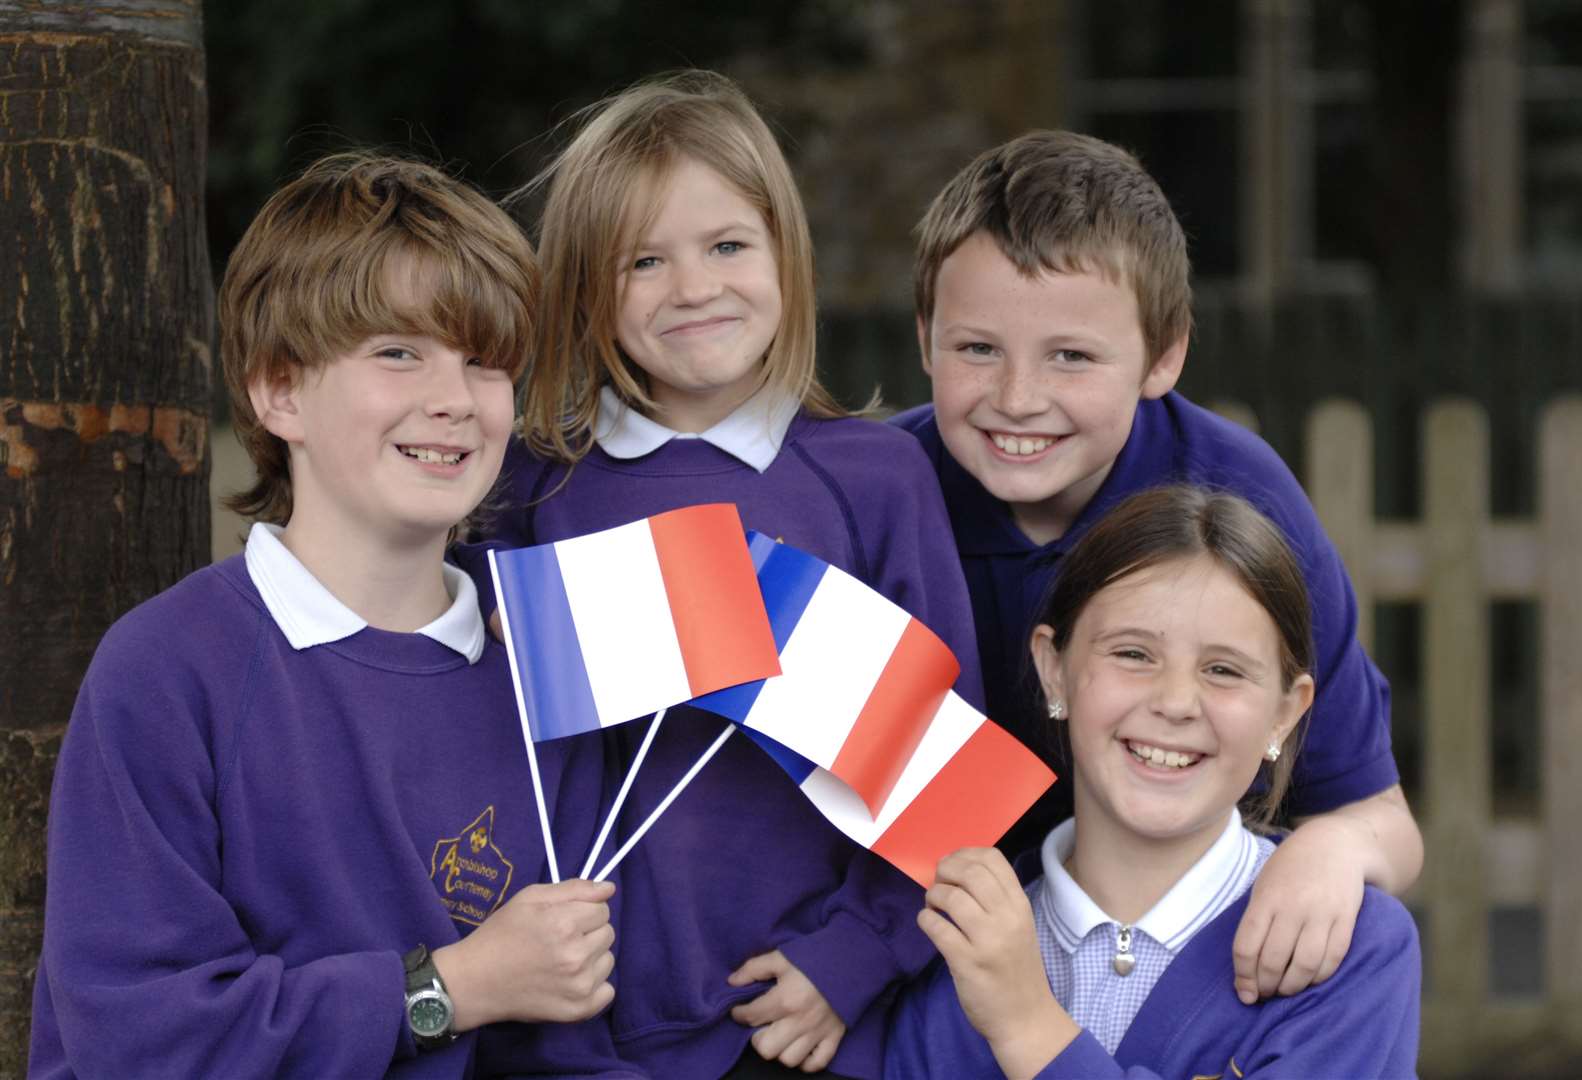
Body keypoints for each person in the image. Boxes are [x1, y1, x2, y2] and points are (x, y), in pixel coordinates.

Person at [29, 154, 628, 1078]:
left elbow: (574, 1038)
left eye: (485, 361)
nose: (454, 399)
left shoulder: (540, 661)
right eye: (398, 352)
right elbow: (141, 1039)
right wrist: (451, 987)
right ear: (279, 392)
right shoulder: (167, 670)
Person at [467, 70, 979, 1080]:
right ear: (582, 289)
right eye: (643, 261)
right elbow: (475, 742)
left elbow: (946, 773)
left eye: (728, 246)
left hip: (801, 1018)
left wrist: (855, 956)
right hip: (569, 1018)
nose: (694, 288)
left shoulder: (873, 480)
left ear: (787, 255)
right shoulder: (525, 487)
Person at [890, 130, 1423, 1003]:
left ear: (1164, 357)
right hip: (928, 966)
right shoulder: (877, 500)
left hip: (1184, 967)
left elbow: (1384, 819)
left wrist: (1331, 849)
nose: (1018, 397)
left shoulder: (1242, 505)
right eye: (977, 348)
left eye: (1072, 355)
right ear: (925, 337)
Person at [887, 485, 1421, 1079]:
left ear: (1284, 714)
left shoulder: (1353, 948)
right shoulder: (951, 933)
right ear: (1055, 670)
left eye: (1223, 670)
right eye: (1133, 654)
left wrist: (1026, 1026)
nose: (1175, 703)